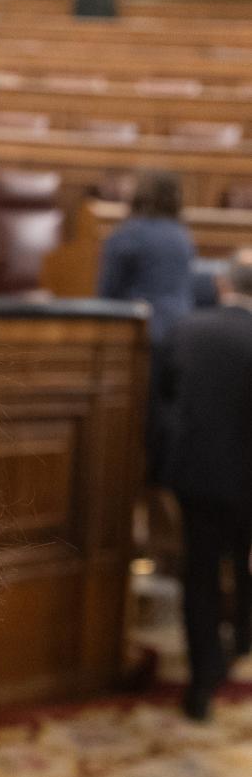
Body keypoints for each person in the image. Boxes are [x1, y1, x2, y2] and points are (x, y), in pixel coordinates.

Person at [151, 248, 252, 721]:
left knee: (201, 576)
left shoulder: (187, 330)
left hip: (200, 478)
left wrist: (157, 474)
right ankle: (242, 642)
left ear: (222, 285)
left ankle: (202, 683)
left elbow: (160, 408)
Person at [97, 170, 195, 344]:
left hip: (140, 328)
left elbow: (108, 291)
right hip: (182, 326)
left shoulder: (128, 234)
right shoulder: (181, 234)